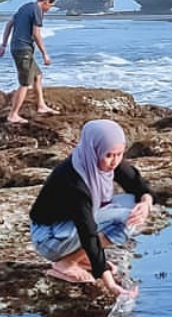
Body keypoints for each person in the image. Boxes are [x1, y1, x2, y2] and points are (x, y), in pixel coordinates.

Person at [30, 119, 153, 298]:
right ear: (94, 149)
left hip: (68, 226)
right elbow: (88, 233)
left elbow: (138, 185)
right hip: (49, 237)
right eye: (109, 155)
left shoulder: (103, 160)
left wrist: (146, 203)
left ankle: (80, 258)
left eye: (119, 154)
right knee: (127, 219)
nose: (114, 161)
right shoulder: (75, 181)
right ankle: (65, 263)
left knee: (135, 207)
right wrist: (110, 283)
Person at [0, 0, 59, 124]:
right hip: (23, 50)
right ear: (46, 1)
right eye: (50, 6)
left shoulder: (25, 7)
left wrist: (3, 44)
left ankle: (41, 106)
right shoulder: (37, 10)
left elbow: (9, 24)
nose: (49, 9)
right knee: (25, 83)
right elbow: (36, 34)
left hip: (19, 48)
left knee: (38, 76)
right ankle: (13, 114)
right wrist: (45, 54)